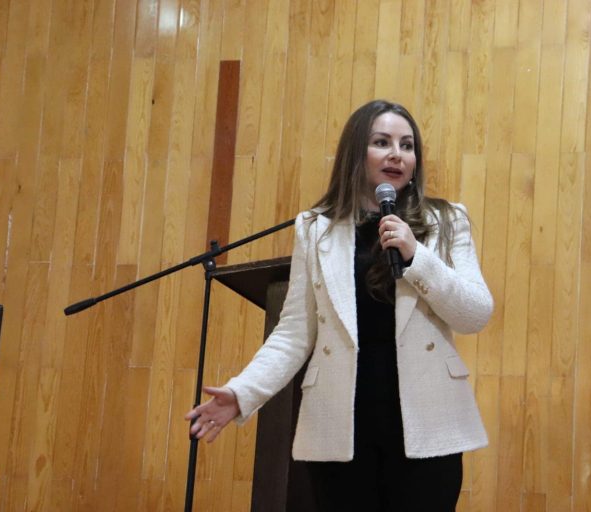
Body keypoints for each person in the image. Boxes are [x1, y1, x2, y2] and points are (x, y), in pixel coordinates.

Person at [185, 99, 493, 511]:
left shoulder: (445, 221)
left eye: (406, 145)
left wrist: (417, 256)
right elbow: (294, 332)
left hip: (427, 425)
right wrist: (242, 393)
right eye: (381, 142)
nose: (396, 154)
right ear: (355, 153)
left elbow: (475, 312)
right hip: (343, 427)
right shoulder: (316, 229)